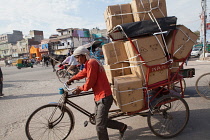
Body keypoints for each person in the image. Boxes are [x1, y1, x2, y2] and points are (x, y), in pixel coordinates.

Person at [67, 46, 127, 140]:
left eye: (78, 57)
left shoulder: (91, 63)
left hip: (104, 97)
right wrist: (72, 78)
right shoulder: (90, 63)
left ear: (84, 56)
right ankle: (121, 127)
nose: (77, 60)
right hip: (99, 97)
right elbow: (83, 73)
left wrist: (80, 88)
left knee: (99, 126)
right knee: (99, 120)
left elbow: (90, 82)